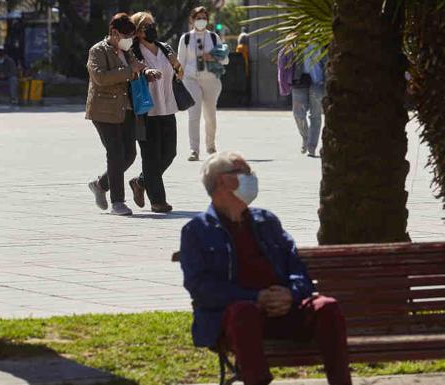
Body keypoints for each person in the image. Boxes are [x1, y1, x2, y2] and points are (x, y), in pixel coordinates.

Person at [179, 151, 352, 385]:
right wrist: (256, 298)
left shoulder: (266, 221)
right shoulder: (196, 231)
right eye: (245, 172)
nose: (252, 177)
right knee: (244, 312)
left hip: (285, 310)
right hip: (236, 319)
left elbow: (297, 268)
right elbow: (201, 288)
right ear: (222, 180)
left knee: (326, 307)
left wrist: (290, 294)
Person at [86, 13, 148, 216]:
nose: (129, 39)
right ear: (114, 32)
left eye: (132, 36)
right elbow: (100, 77)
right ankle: (118, 202)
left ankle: (100, 184)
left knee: (129, 154)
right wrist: (130, 70)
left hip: (126, 109)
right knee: (115, 153)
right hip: (103, 110)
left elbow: (134, 69)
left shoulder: (127, 50)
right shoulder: (97, 51)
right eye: (126, 35)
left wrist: (146, 73)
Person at [128, 11, 182, 213]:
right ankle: (158, 200)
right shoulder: (133, 51)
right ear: (138, 32)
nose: (151, 28)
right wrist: (145, 72)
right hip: (146, 109)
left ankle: (140, 182)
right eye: (146, 26)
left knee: (169, 153)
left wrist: (178, 68)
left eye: (152, 24)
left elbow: (177, 71)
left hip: (168, 106)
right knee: (150, 156)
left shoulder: (164, 48)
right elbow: (133, 70)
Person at [177, 6, 229, 162]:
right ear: (192, 20)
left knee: (210, 116)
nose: (201, 21)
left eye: (204, 18)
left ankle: (210, 145)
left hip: (211, 79)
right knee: (194, 115)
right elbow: (180, 62)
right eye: (198, 18)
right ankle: (194, 150)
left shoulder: (214, 37)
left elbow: (225, 60)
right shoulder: (185, 38)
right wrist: (178, 80)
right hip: (191, 79)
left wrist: (213, 57)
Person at [278, 45, 326, 157]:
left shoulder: (323, 43)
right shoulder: (296, 42)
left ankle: (311, 146)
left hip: (318, 82)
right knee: (298, 114)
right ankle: (306, 137)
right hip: (299, 81)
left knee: (315, 115)